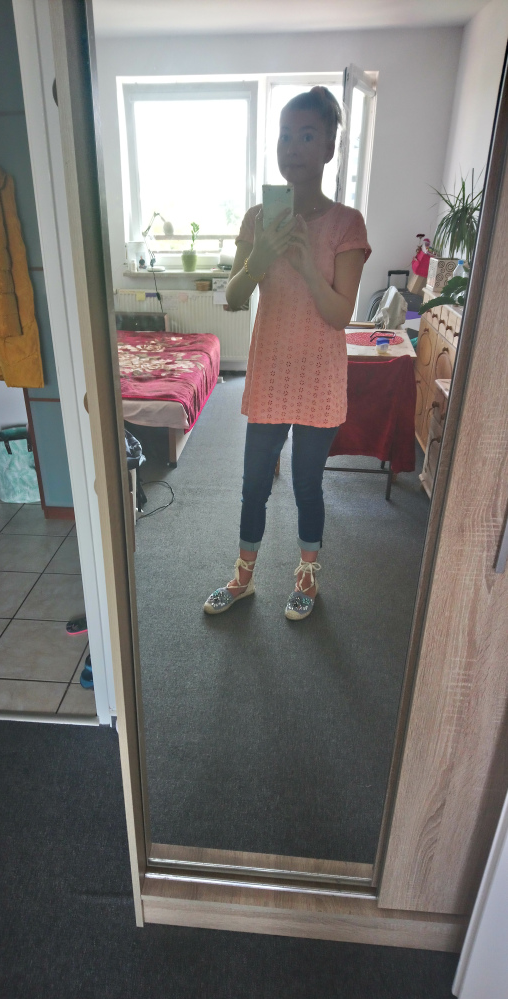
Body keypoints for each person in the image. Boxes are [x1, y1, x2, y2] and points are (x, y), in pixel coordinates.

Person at [204, 86, 371, 621]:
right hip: (271, 373)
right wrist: (259, 256)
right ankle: (243, 578)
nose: (292, 147)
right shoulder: (258, 218)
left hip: (320, 377)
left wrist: (303, 265)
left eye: (307, 136)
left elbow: (339, 314)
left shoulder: (347, 224)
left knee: (306, 485)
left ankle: (307, 578)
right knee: (254, 483)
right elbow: (232, 298)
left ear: (329, 147)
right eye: (284, 136)